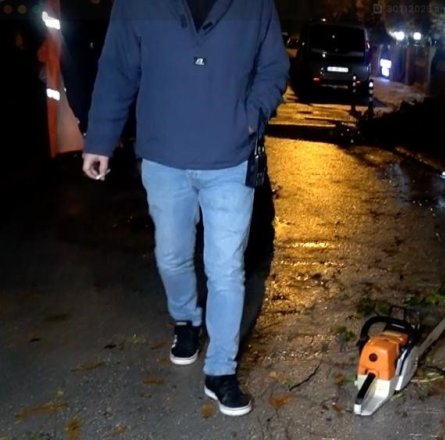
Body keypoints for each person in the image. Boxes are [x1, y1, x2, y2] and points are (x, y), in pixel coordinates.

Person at [82, 0, 289, 417]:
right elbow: (118, 68)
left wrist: (251, 118)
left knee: (226, 267)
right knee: (172, 256)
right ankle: (186, 320)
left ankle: (221, 372)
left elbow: (274, 67)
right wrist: (101, 140)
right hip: (164, 157)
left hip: (230, 160)